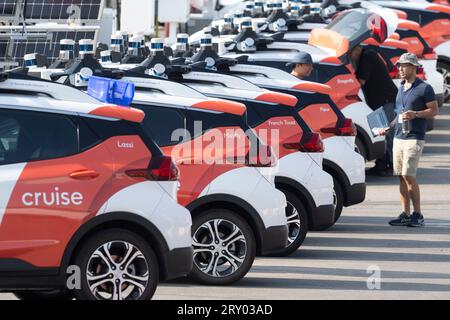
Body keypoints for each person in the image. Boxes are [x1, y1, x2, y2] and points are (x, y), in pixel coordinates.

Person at [379, 53, 439, 228]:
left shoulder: (424, 88)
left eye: (404, 66)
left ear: (414, 67)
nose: (400, 69)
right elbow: (399, 114)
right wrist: (388, 128)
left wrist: (416, 114)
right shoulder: (401, 87)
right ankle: (405, 214)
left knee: (408, 176)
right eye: (399, 66)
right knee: (401, 177)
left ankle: (418, 214)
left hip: (414, 138)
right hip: (398, 137)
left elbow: (434, 110)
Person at [349, 45, 399, 176]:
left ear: (356, 49)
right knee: (381, 133)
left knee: (385, 134)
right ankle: (382, 164)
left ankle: (389, 166)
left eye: (350, 54)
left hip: (385, 100)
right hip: (379, 101)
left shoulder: (367, 56)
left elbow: (361, 81)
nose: (350, 57)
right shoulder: (367, 55)